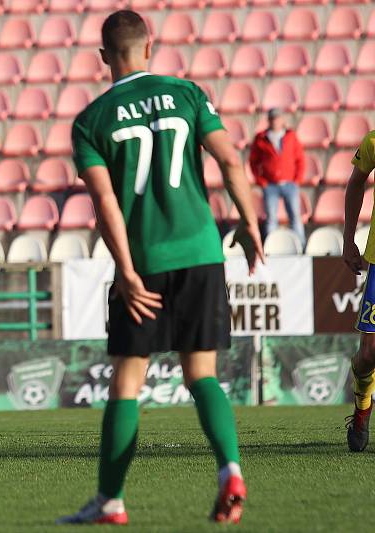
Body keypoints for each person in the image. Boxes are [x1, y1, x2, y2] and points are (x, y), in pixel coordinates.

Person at [57, 10, 264, 526]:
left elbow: (105, 203)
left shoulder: (91, 120)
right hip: (201, 252)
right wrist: (249, 221)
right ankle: (230, 471)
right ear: (149, 46)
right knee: (202, 375)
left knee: (127, 382)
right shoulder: (188, 94)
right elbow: (232, 161)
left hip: (145, 262)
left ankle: (110, 500)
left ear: (104, 56)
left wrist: (125, 271)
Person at [341, 129, 375, 452]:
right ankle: (362, 408)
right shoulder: (373, 141)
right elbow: (355, 183)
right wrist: (348, 239)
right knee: (368, 354)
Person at [248, 108, 306, 248]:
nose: (275, 121)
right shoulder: (261, 138)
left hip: (289, 184)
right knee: (271, 219)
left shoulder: (291, 136)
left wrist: (297, 179)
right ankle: (269, 247)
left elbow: (300, 158)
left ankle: (301, 246)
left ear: (282, 120)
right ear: (269, 120)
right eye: (273, 118)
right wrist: (260, 180)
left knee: (295, 217)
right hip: (270, 185)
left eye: (277, 118)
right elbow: (253, 161)